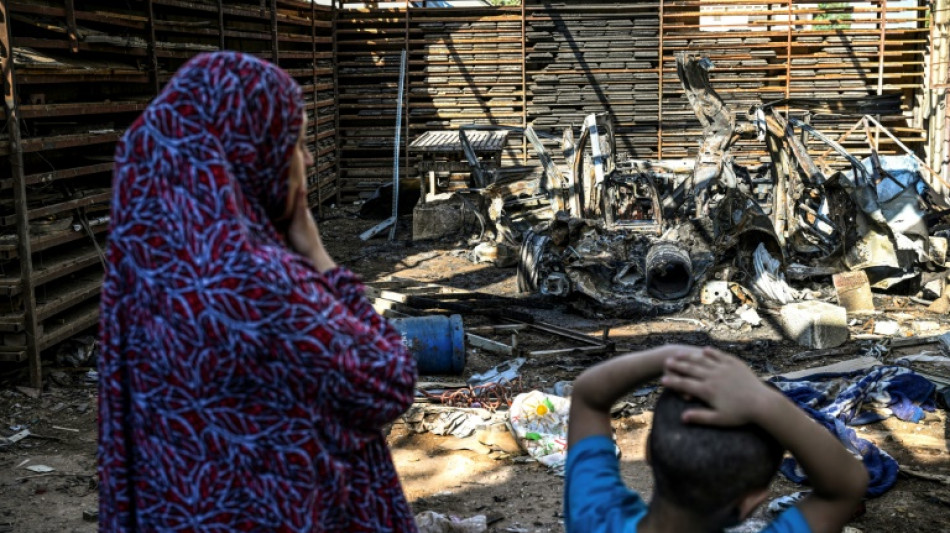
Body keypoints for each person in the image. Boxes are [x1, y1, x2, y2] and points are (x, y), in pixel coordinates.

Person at [98, 52, 418, 532]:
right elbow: (387, 380)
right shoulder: (253, 284)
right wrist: (318, 255)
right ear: (251, 146)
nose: (307, 159)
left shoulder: (147, 275)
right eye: (297, 141)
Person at [566, 345, 869, 533]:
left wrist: (681, 354)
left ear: (648, 451)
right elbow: (845, 487)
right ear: (752, 502)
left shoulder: (596, 519)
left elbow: (588, 397)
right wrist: (763, 401)